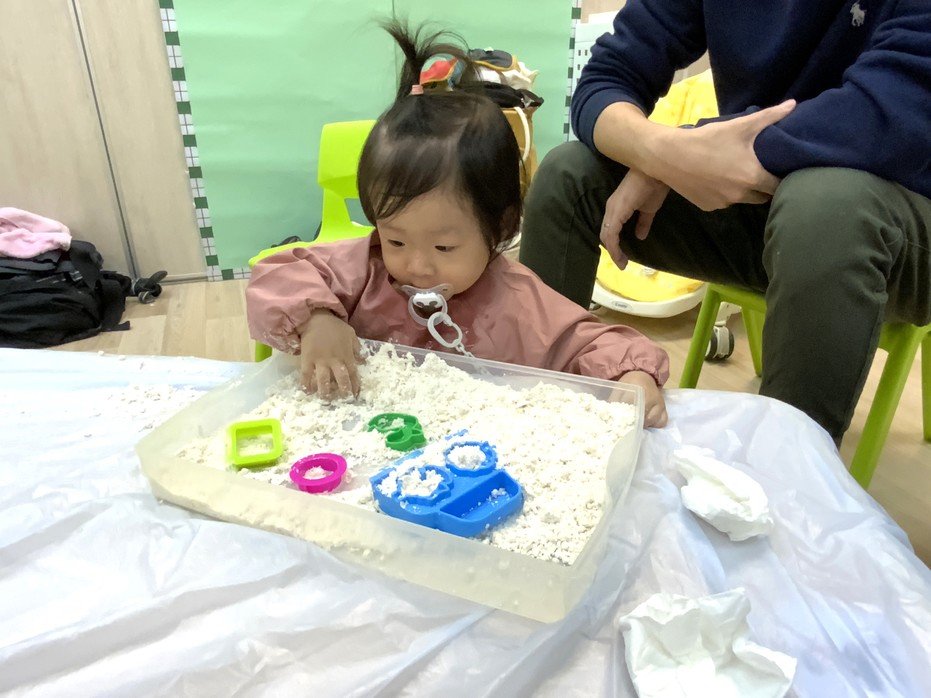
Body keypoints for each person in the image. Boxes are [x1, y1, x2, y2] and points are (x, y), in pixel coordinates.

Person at [519, 1, 931, 442]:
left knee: (825, 209)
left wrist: (688, 151)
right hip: (766, 204)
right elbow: (606, 76)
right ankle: (528, 431)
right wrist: (660, 153)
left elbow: (885, 114)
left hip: (890, 209)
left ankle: (784, 475)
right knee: (568, 174)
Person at [246, 21, 671, 426]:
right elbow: (277, 275)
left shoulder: (519, 303)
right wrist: (318, 320)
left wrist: (633, 375)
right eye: (396, 240)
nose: (417, 266)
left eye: (443, 247)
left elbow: (595, 343)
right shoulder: (363, 271)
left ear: (501, 227)